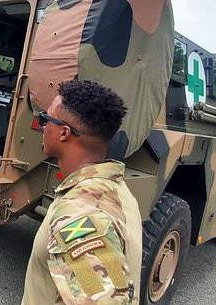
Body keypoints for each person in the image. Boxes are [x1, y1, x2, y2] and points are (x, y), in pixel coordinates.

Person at [21, 80, 142, 305]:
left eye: (46, 119)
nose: (42, 125)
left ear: (63, 133)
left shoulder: (79, 211)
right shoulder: (118, 189)